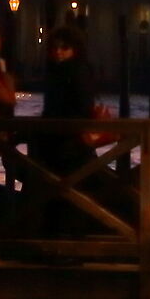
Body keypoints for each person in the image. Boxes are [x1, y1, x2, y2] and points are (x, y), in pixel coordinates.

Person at [36, 23, 103, 234]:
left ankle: (67, 242)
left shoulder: (77, 72)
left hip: (70, 144)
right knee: (61, 193)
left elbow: (81, 107)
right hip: (58, 142)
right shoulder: (57, 72)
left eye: (64, 48)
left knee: (69, 193)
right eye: (55, 47)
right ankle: (59, 242)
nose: (58, 52)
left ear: (75, 49)